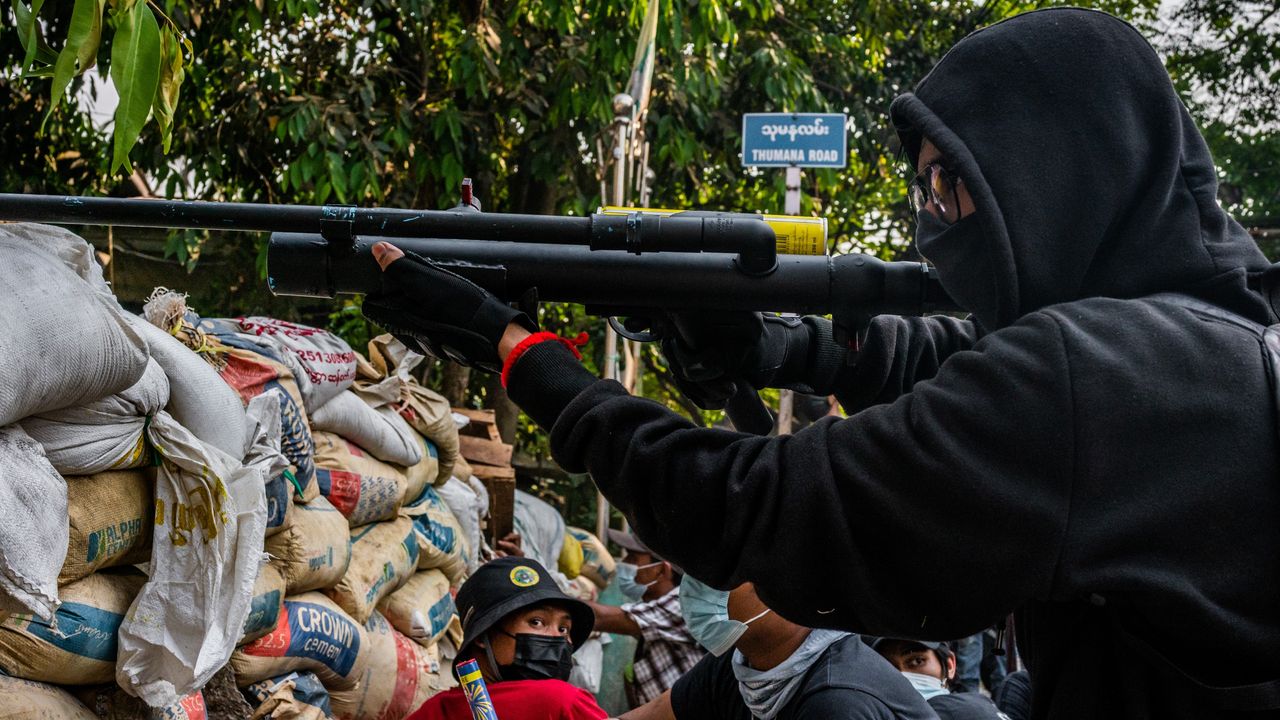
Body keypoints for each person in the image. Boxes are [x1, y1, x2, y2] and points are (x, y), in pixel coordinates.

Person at [364, 8, 1280, 718]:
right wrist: (766, 345)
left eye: (952, 185)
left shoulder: (1094, 374)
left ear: (1060, 171)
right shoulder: (1216, 336)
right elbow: (948, 355)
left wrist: (519, 352)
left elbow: (755, 504)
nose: (933, 219)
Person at [620, 579, 935, 720]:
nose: (694, 585)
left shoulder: (836, 700)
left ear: (778, 586)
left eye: (718, 574)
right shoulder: (741, 665)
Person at [408, 557, 607, 720]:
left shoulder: (435, 710)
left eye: (564, 628)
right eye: (536, 622)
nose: (557, 637)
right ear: (483, 636)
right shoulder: (561, 701)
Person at [584, 528, 702, 707]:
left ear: (662, 570)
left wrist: (547, 596)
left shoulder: (679, 604)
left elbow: (600, 617)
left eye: (632, 558)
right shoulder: (655, 608)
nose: (623, 563)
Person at [871, 638, 1008, 720]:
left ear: (950, 666)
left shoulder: (968, 711)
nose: (902, 676)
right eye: (886, 667)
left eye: (918, 661)